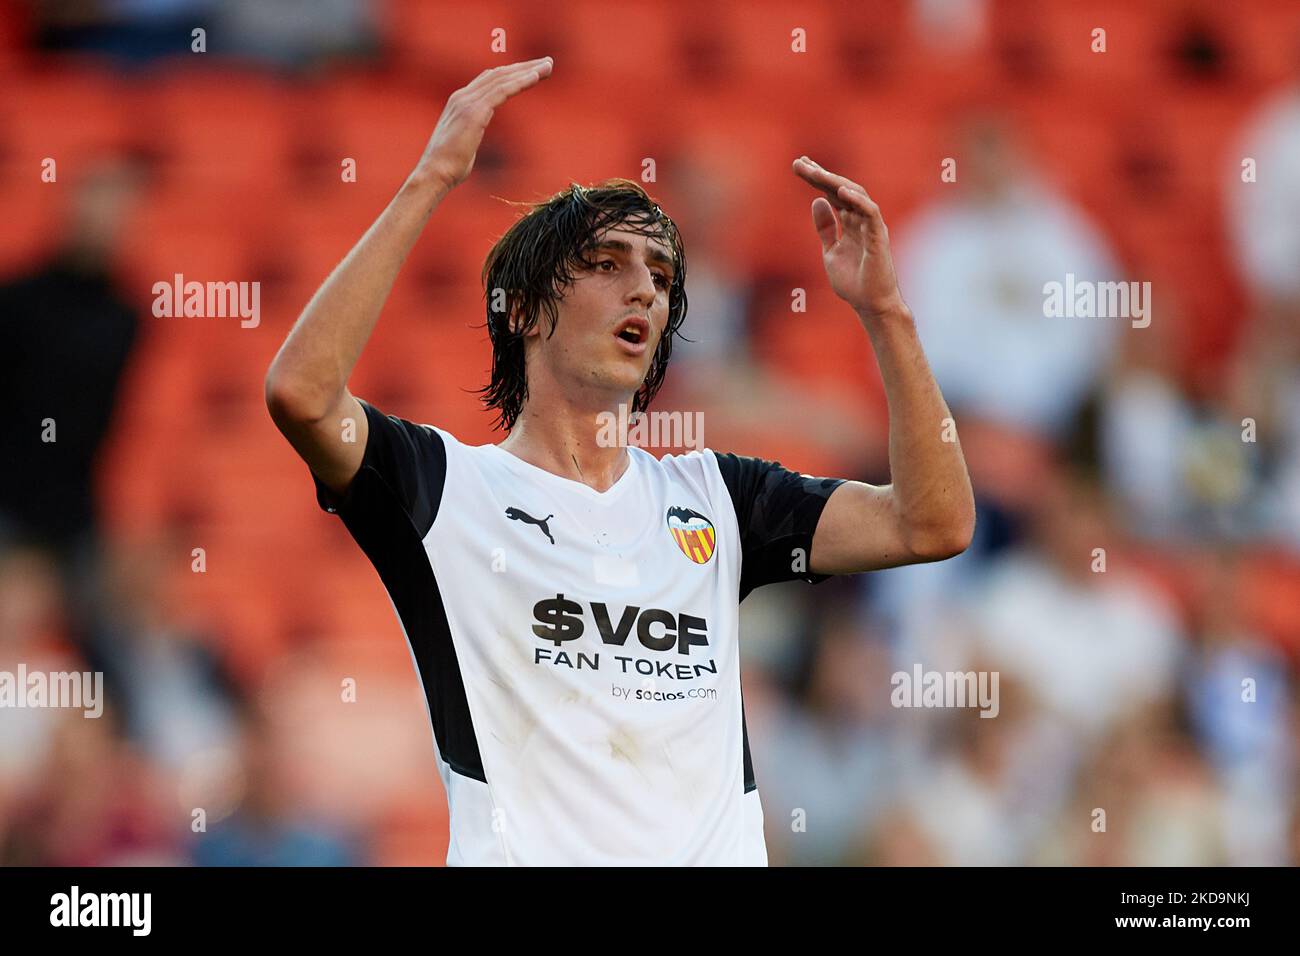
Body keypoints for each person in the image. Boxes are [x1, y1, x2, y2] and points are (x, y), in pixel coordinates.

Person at [264, 56, 975, 865]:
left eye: (661, 274)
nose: (644, 289)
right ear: (526, 311)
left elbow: (934, 522)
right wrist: (431, 178)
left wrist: (886, 312)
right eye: (608, 265)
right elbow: (302, 394)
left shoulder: (716, 498)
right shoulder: (446, 489)